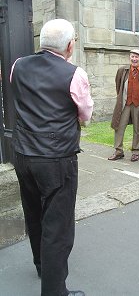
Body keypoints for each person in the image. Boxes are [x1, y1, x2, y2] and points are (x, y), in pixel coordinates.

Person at [10, 19, 93, 296]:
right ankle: (55, 292)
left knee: (33, 213)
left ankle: (42, 265)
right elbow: (86, 115)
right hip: (57, 159)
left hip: (23, 154)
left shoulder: (18, 66)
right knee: (57, 225)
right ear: (70, 46)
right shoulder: (74, 74)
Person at [108, 49, 139, 162]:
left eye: (137, 57)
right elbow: (118, 86)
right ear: (130, 57)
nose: (134, 59)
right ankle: (118, 151)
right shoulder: (123, 70)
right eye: (132, 57)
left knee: (138, 128)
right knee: (119, 126)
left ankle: (136, 151)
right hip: (125, 103)